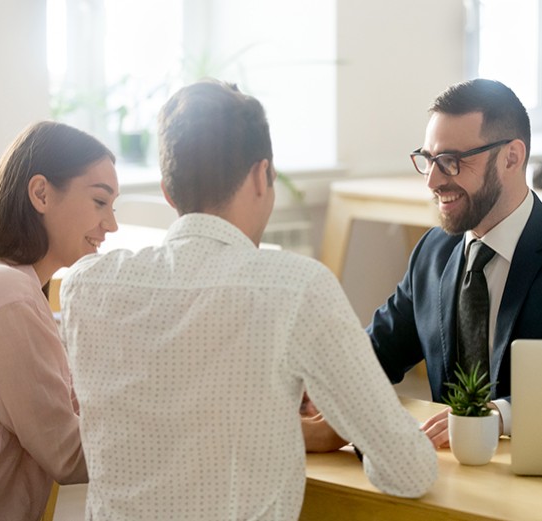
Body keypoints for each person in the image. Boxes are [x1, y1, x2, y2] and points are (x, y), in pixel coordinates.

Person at [60, 79, 437, 521]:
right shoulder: (297, 288)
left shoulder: (85, 285)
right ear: (262, 176)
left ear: (168, 191)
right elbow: (409, 470)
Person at [307, 78, 541, 452]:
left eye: (451, 162)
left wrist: (497, 417)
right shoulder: (433, 253)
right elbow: (375, 351)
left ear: (511, 158)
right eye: (429, 160)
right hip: (445, 477)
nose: (432, 180)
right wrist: (314, 387)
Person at [0, 121, 118, 520]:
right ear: (41, 193)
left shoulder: (7, 284)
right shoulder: (9, 295)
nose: (111, 225)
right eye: (99, 202)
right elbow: (70, 455)